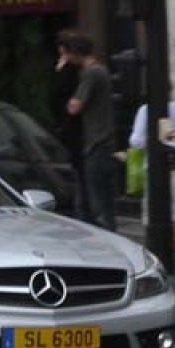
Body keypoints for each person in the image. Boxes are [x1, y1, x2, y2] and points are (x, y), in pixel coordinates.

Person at [129, 80, 175, 254]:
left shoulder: (145, 110)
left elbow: (137, 141)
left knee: (152, 205)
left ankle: (152, 244)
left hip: (154, 165)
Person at [64, 32, 117, 231]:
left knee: (99, 203)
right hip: (102, 141)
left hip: (97, 142)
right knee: (103, 199)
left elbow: (74, 107)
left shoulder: (91, 73)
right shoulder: (100, 71)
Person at [52, 29, 88, 218]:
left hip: (75, 130)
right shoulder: (78, 70)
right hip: (72, 129)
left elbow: (60, 96)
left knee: (79, 174)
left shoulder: (71, 70)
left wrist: (60, 71)